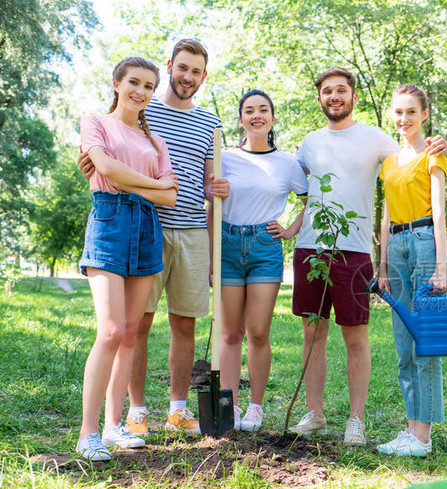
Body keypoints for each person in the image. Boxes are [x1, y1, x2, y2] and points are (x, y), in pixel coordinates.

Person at [286, 67, 447, 446]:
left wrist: (436, 144)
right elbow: (303, 192)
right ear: (320, 98)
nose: (334, 96)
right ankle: (315, 413)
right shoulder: (309, 143)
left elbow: (411, 163)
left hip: (355, 251)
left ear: (353, 96)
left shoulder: (377, 139)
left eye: (341, 90)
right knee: (313, 332)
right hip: (312, 249)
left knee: (355, 336)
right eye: (327, 91)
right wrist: (293, 228)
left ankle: (356, 421)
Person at [80, 39, 229, 436]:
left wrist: (219, 191)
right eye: (182, 68)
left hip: (192, 228)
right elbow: (108, 158)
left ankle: (178, 409)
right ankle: (135, 411)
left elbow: (205, 183)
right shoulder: (145, 108)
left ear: (204, 76)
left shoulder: (210, 122)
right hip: (146, 227)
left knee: (185, 323)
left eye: (196, 71)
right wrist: (101, 169)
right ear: (170, 66)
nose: (188, 77)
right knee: (136, 324)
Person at [76, 56, 178, 460]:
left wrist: (131, 181)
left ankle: (113, 426)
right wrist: (150, 183)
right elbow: (104, 168)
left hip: (147, 228)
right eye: (134, 82)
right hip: (109, 220)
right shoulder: (95, 123)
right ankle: (87, 434)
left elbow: (169, 198)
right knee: (112, 331)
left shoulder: (156, 141)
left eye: (150, 86)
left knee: (133, 333)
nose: (142, 91)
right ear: (117, 83)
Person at [218, 89, 308, 431]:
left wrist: (290, 231)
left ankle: (255, 407)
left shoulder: (287, 163)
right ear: (240, 119)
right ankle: (231, 405)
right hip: (227, 244)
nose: (257, 115)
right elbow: (211, 202)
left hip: (264, 247)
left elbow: (309, 200)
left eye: (263, 110)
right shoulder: (224, 157)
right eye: (249, 110)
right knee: (229, 333)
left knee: (257, 332)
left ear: (271, 118)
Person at [376, 85, 447, 457]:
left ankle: (424, 435)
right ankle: (409, 429)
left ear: (424, 115)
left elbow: (439, 212)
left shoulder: (432, 156)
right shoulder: (389, 162)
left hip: (423, 242)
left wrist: (441, 265)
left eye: (410, 112)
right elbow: (387, 215)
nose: (403, 119)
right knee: (404, 343)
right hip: (397, 246)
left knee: (427, 342)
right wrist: (382, 264)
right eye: (398, 112)